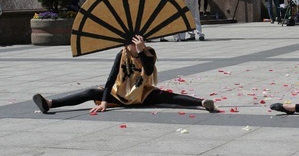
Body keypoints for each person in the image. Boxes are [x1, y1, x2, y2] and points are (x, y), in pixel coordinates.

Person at [32, 35, 216, 114]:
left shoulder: (148, 52)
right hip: (119, 93)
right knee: (90, 93)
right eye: (130, 43)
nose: (132, 46)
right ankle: (50, 103)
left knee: (168, 97)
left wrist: (142, 50)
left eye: (135, 43)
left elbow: (149, 70)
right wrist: (104, 101)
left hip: (142, 92)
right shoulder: (121, 54)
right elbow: (111, 79)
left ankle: (201, 103)